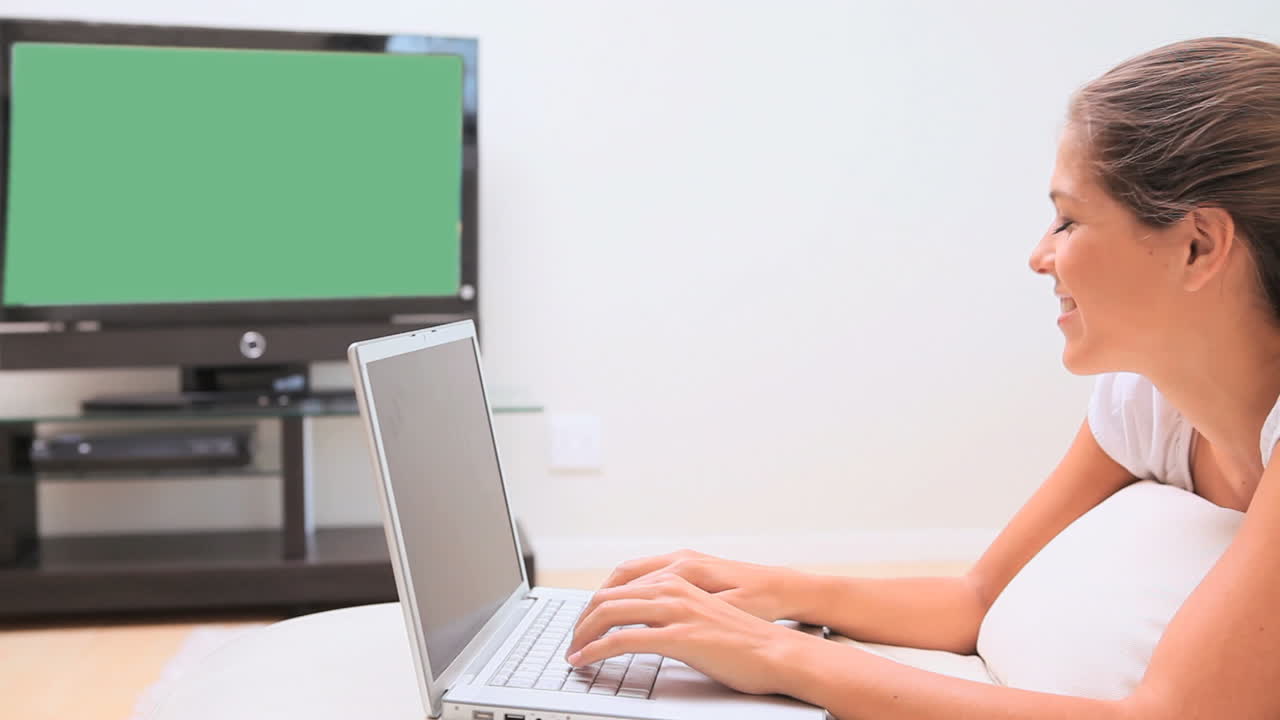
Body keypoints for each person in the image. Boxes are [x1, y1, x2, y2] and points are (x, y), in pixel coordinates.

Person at [564, 36, 1280, 719]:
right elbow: (976, 598)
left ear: (1198, 245)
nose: (1039, 256)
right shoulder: (1146, 405)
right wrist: (765, 591)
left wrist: (775, 656)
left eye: (1067, 221)